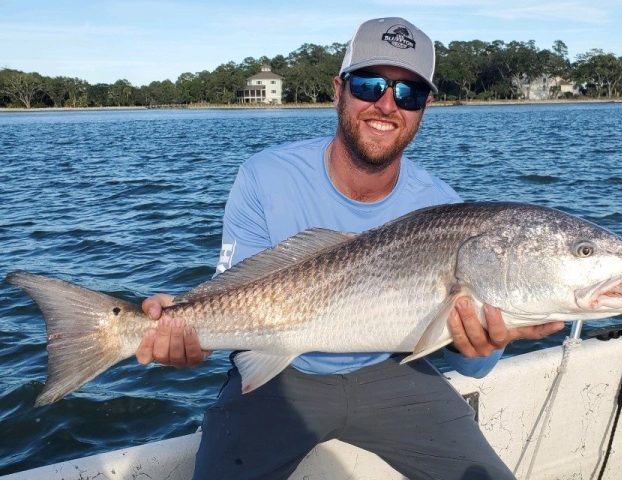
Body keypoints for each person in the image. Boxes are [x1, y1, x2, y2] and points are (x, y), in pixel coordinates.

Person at [136, 17, 564, 480]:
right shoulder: (264, 175)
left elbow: (472, 367)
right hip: (282, 376)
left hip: (392, 371)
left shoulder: (446, 208)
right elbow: (237, 299)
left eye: (408, 93)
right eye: (368, 84)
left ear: (424, 108)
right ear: (338, 89)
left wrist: (484, 342)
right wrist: (187, 330)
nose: (386, 105)